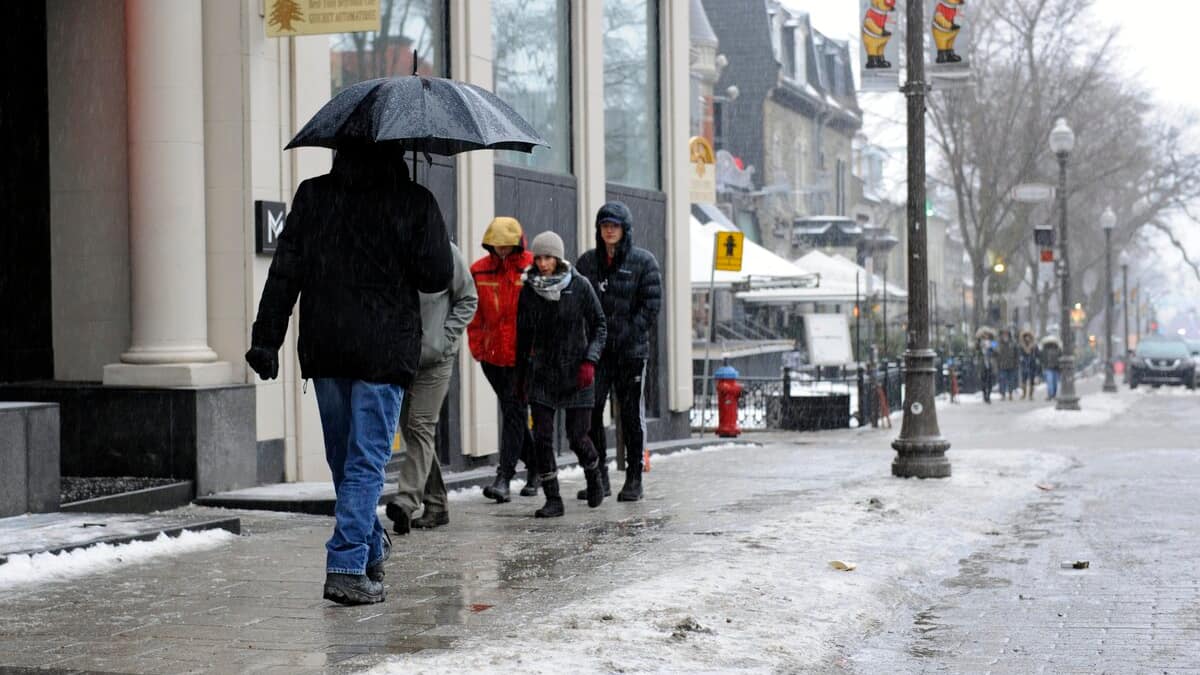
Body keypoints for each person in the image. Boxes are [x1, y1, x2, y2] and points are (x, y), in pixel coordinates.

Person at [246, 146, 452, 605]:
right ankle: (345, 565)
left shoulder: (314, 195)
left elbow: (285, 273)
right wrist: (423, 213)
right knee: (364, 464)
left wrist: (266, 340)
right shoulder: (413, 200)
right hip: (383, 350)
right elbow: (435, 276)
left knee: (346, 462)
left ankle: (371, 546)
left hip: (328, 347)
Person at [384, 243, 477, 535]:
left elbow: (468, 298)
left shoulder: (445, 252)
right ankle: (436, 504)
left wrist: (445, 340)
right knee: (411, 431)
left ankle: (406, 499)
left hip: (436, 360)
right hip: (400, 357)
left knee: (421, 425)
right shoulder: (390, 251)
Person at [515, 231, 608, 518]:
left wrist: (590, 361)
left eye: (548, 258)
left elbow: (599, 326)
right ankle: (553, 499)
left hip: (577, 371)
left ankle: (595, 479)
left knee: (577, 436)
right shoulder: (529, 290)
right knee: (541, 436)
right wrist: (521, 377)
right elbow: (523, 336)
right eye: (539, 257)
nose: (543, 263)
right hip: (542, 373)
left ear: (558, 258)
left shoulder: (579, 286)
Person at [574, 202, 662, 502]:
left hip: (631, 353)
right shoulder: (586, 264)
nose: (609, 230)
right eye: (604, 225)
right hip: (598, 355)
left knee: (630, 415)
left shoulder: (644, 262)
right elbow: (578, 305)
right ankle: (599, 478)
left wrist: (624, 334)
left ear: (625, 230)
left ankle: (634, 478)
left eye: (615, 225)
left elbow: (650, 308)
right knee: (591, 412)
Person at [467, 217, 539, 503]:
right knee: (515, 413)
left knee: (514, 411)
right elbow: (474, 312)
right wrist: (477, 346)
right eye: (497, 246)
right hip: (493, 357)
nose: (502, 252)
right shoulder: (478, 270)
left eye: (507, 246)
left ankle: (504, 477)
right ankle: (537, 467)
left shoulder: (532, 267)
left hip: (524, 357)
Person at [995, 329, 1020, 401]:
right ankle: (1002, 394)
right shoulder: (998, 343)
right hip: (1002, 365)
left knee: (1011, 381)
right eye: (1003, 334)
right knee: (1002, 380)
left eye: (1006, 334)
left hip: (1011, 365)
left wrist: (1016, 363)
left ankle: (1010, 393)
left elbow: (1017, 354)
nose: (1005, 336)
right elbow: (994, 352)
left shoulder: (1013, 343)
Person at [1018, 330, 1040, 400]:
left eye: (1028, 336)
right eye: (1026, 336)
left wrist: (1036, 359)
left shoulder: (1034, 346)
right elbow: (1019, 354)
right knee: (1024, 380)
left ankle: (1031, 395)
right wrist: (1021, 359)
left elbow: (1038, 354)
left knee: (1032, 380)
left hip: (1032, 363)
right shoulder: (1021, 346)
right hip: (1024, 364)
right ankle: (1024, 394)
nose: (1027, 338)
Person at [976, 335, 995, 404]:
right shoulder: (980, 345)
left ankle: (988, 396)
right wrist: (979, 343)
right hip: (982, 366)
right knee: (983, 381)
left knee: (990, 382)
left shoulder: (992, 343)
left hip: (990, 365)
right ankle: (985, 395)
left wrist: (991, 347)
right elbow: (976, 349)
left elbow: (996, 350)